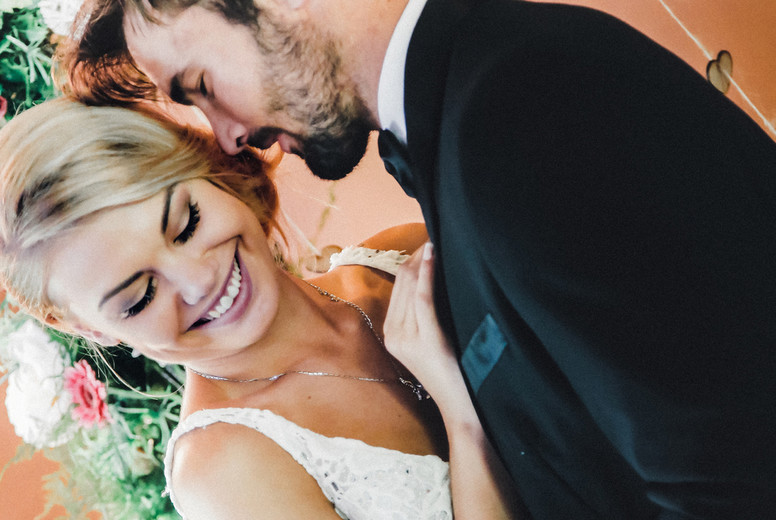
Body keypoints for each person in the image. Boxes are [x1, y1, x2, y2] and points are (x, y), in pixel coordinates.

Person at [59, 0, 776, 517]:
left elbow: (720, 466)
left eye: (204, 87)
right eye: (134, 295)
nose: (229, 137)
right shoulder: (468, 114)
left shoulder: (510, 108)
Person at [0, 98, 521, 519]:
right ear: (80, 325)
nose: (199, 280)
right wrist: (462, 412)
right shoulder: (223, 469)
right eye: (140, 297)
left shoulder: (403, 255)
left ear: (208, 171)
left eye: (187, 223)